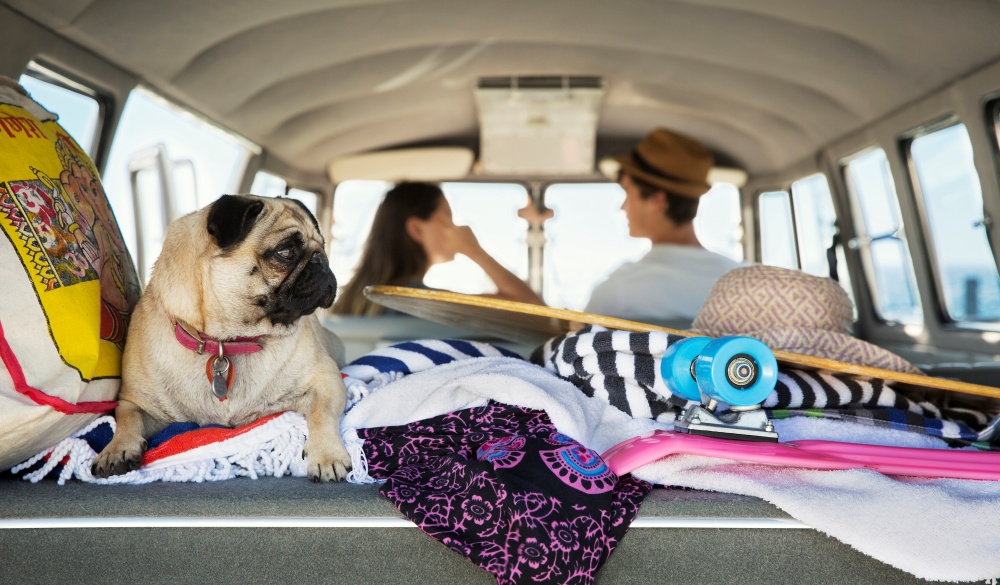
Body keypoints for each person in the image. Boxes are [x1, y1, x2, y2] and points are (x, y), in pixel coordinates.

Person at [584, 128, 741, 323]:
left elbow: (573, 344)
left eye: (627, 191)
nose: (622, 207)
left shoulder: (621, 289)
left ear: (658, 201)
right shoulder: (742, 281)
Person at [333, 182, 542, 316]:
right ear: (416, 229)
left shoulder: (348, 301)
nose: (455, 226)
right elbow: (532, 307)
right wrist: (475, 251)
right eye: (447, 216)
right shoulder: (428, 304)